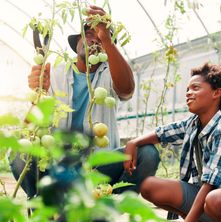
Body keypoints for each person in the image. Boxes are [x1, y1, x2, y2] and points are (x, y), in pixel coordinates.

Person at [11, 5, 159, 197]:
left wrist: (106, 37)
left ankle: (109, 214)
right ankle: (48, 210)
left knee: (147, 154)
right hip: (58, 167)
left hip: (99, 169)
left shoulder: (110, 72)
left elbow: (126, 89)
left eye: (100, 35)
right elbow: (29, 128)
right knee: (20, 154)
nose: (94, 38)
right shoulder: (56, 72)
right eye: (88, 33)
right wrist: (39, 93)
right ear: (78, 40)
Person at [124, 63, 221, 222]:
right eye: (188, 89)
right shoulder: (193, 123)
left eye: (195, 88)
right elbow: (163, 133)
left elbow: (210, 186)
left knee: (216, 199)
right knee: (148, 186)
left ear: (216, 93)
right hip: (207, 197)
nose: (188, 93)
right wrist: (133, 143)